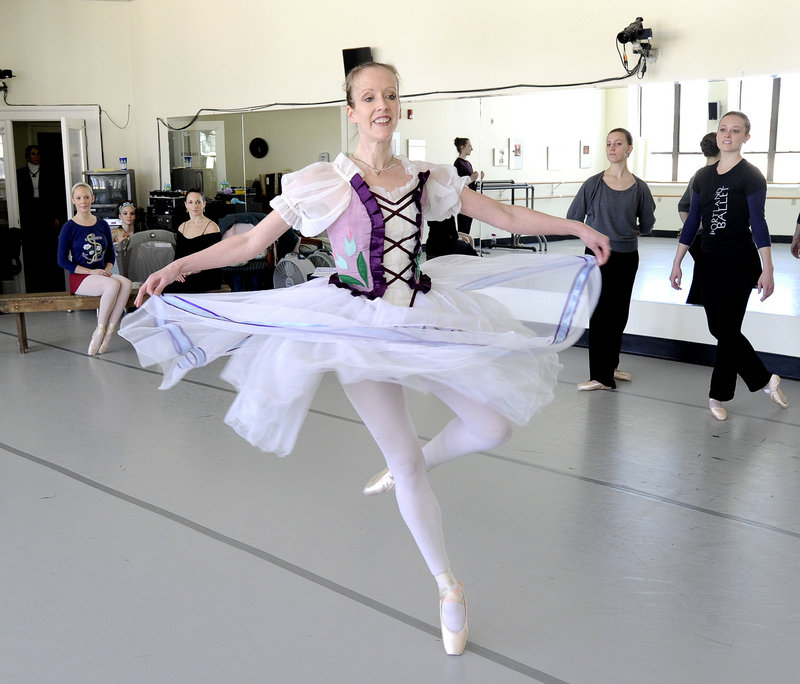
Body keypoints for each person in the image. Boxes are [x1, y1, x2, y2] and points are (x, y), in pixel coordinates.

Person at [122, 62, 610, 656]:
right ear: (351, 110)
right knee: (403, 461)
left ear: (400, 106)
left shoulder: (429, 178)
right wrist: (175, 267)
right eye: (369, 97)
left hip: (425, 316)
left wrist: (574, 227)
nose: (382, 104)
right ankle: (447, 585)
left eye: (391, 95)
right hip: (358, 326)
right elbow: (250, 242)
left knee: (493, 425)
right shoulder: (321, 182)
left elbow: (503, 217)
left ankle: (417, 463)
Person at [670, 111, 789, 420]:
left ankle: (717, 396)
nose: (728, 135)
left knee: (727, 329)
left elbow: (759, 223)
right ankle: (764, 379)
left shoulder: (751, 176)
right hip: (708, 261)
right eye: (723, 129)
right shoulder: (702, 177)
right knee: (717, 327)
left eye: (735, 131)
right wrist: (678, 260)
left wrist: (768, 267)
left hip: (740, 262)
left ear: (745, 138)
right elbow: (693, 220)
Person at [567, 128, 655, 391]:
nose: (612, 148)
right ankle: (600, 376)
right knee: (600, 314)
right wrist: (592, 240)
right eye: (608, 144)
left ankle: (611, 366)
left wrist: (627, 234)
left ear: (629, 149)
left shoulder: (639, 188)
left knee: (619, 314)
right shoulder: (593, 184)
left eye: (618, 144)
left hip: (628, 257)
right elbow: (573, 219)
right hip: (597, 258)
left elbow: (648, 223)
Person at [57, 182, 133, 355]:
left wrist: (107, 268)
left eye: (86, 197)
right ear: (73, 200)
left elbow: (110, 255)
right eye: (78, 198)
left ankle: (110, 332)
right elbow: (62, 261)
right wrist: (91, 272)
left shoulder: (102, 224)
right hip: (81, 278)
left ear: (92, 198)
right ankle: (99, 330)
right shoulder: (69, 227)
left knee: (126, 284)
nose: (83, 201)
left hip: (101, 274)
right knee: (113, 285)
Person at [16, 144, 67, 292]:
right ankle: (34, 282)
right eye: (33, 154)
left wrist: (57, 214)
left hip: (46, 211)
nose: (36, 156)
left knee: (49, 246)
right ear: (27, 157)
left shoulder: (49, 172)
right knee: (32, 246)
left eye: (38, 153)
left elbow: (56, 194)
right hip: (29, 212)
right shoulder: (20, 173)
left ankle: (51, 280)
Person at [677, 132, 720, 304]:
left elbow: (682, 206)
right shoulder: (707, 176)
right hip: (706, 238)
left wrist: (691, 227)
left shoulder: (697, 175)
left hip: (698, 236)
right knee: (706, 274)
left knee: (702, 273)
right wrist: (696, 227)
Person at [163, 190, 222, 293]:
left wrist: (192, 270)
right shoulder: (182, 227)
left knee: (172, 289)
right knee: (163, 286)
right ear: (186, 205)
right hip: (185, 273)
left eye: (198, 202)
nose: (194, 206)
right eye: (190, 202)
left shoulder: (212, 227)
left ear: (204, 204)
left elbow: (214, 259)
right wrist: (177, 272)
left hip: (206, 274)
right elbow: (178, 257)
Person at [452, 137, 484, 235]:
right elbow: (458, 183)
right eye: (469, 146)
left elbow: (471, 183)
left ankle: (465, 246)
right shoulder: (458, 164)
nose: (471, 148)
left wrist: (479, 179)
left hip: (471, 200)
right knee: (463, 227)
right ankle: (462, 247)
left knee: (468, 226)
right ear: (462, 147)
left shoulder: (468, 164)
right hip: (463, 201)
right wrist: (472, 179)